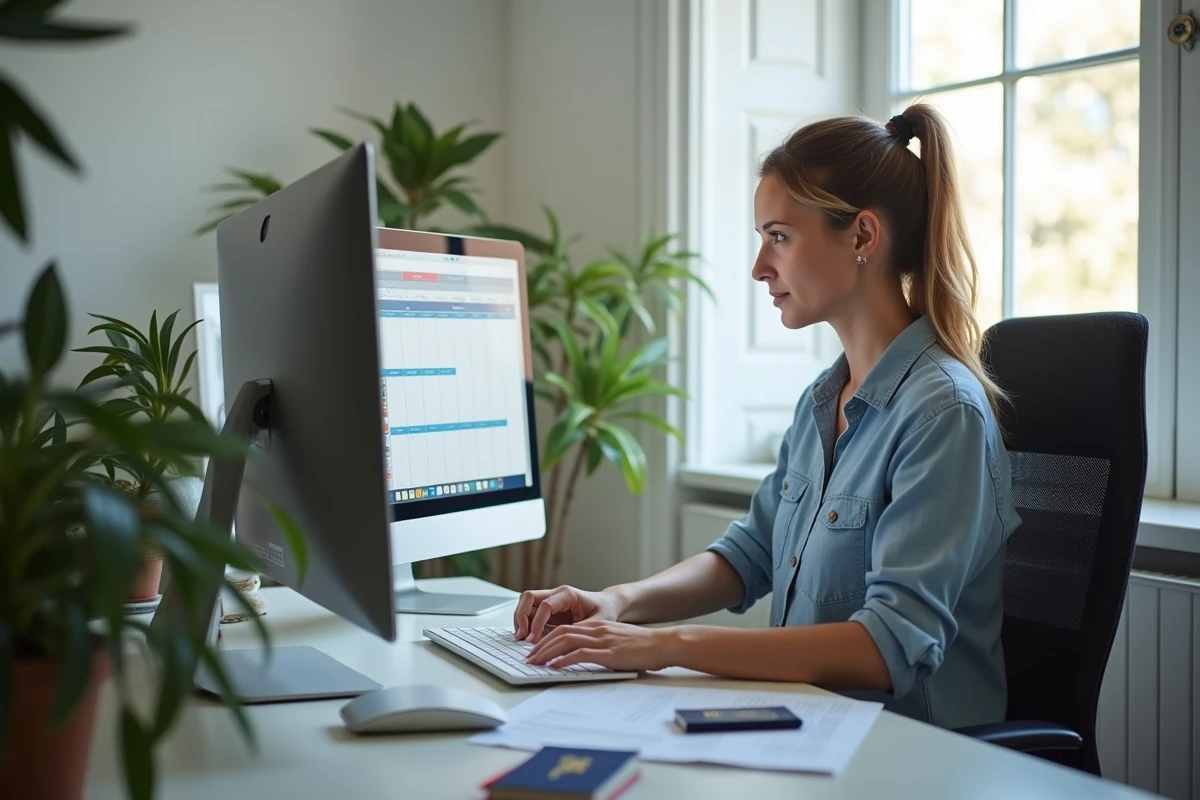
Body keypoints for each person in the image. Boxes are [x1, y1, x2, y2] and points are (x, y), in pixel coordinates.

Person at [515, 105, 1020, 730]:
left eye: (778, 236)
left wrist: (668, 645)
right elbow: (749, 555)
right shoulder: (822, 400)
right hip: (813, 726)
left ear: (862, 237)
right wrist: (616, 603)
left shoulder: (943, 413)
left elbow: (888, 645)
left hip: (910, 749)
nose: (759, 266)